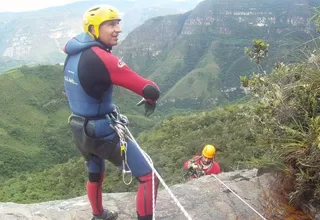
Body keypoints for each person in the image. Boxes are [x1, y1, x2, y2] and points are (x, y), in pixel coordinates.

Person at [62, 5, 160, 220]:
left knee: (95, 171)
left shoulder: (72, 53)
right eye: (110, 24)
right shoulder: (101, 58)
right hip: (102, 131)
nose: (117, 29)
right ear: (94, 28)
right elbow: (149, 89)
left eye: (118, 23)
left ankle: (99, 215)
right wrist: (151, 99)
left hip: (79, 128)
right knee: (148, 176)